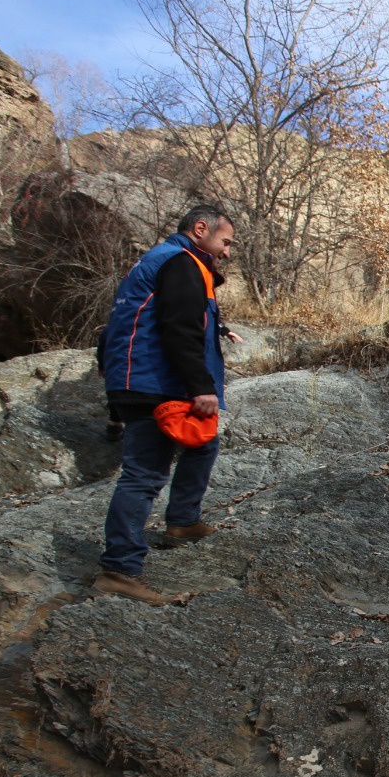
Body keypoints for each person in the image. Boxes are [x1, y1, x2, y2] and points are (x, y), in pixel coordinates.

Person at [93, 205, 235, 606]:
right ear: (200, 229)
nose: (226, 252)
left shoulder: (159, 260)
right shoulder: (181, 263)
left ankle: (183, 522)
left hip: (137, 382)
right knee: (143, 475)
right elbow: (179, 328)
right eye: (225, 242)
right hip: (155, 386)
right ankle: (120, 568)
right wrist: (201, 386)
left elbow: (128, 326)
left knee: (203, 443)